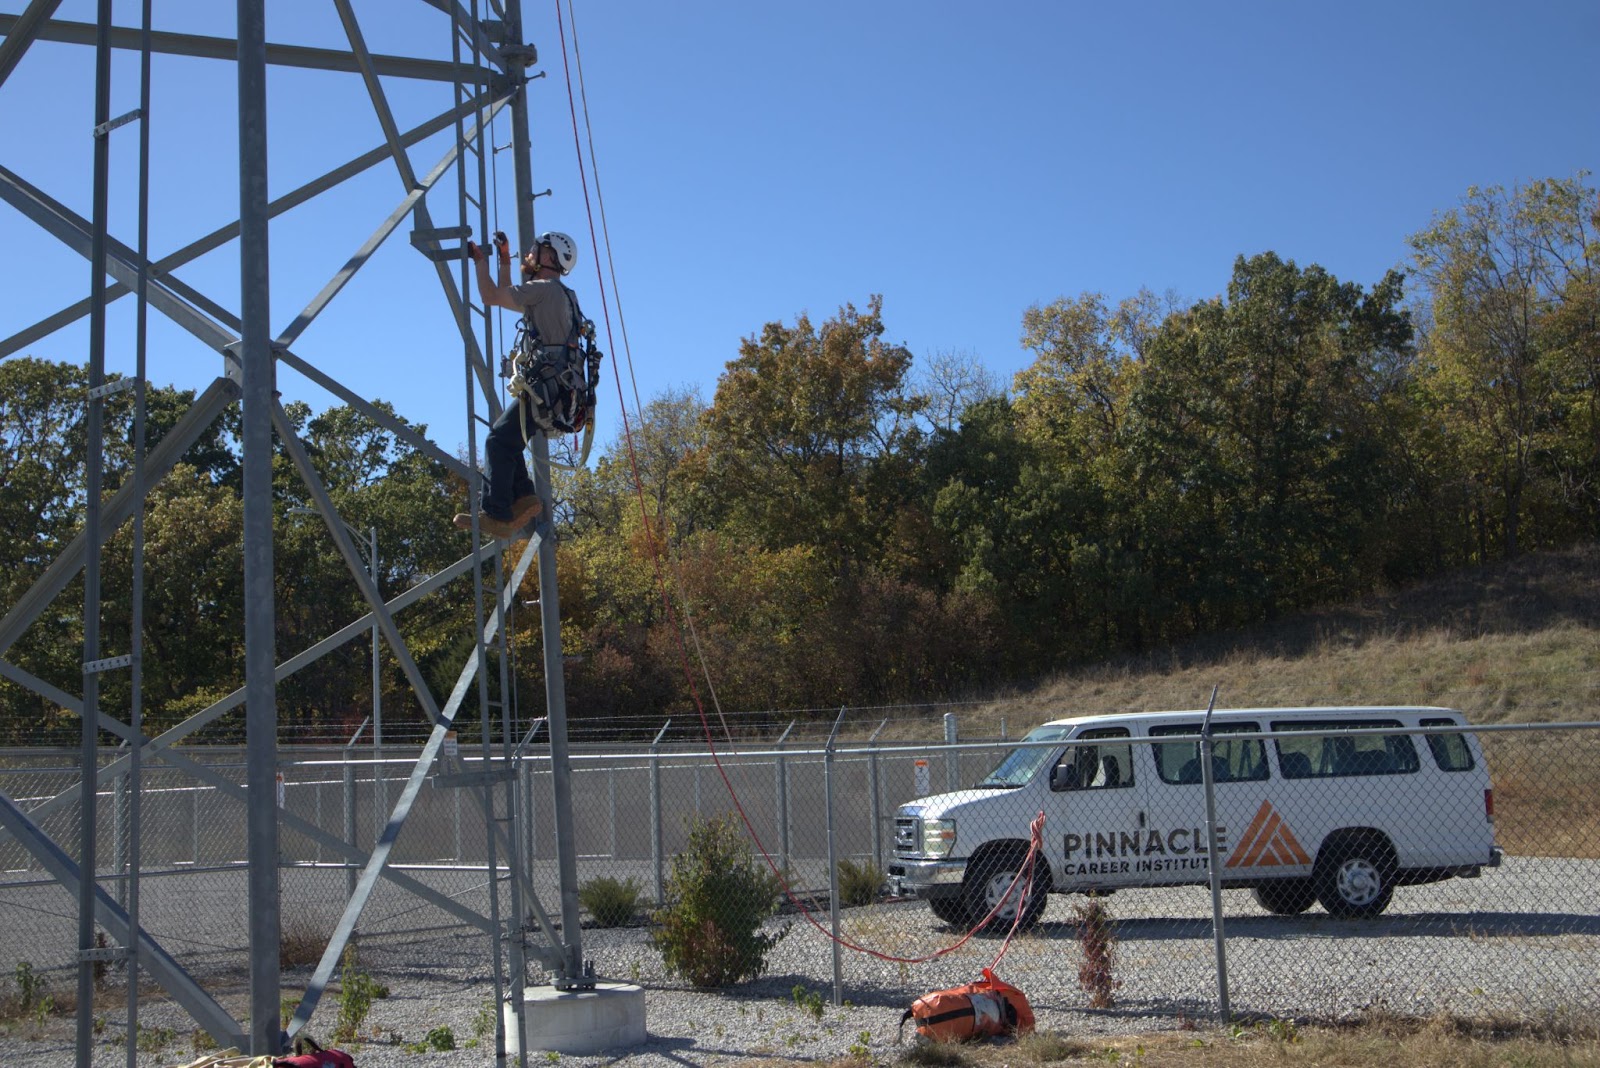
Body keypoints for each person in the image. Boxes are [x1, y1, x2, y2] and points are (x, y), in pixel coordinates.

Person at [453, 229, 583, 539]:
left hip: (546, 388)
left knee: (497, 441)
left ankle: (497, 512)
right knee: (508, 442)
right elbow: (513, 295)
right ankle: (524, 496)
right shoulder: (559, 293)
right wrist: (502, 259)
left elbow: (490, 297)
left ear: (549, 257)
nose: (528, 253)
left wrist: (480, 262)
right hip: (558, 391)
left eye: (534, 249)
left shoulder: (542, 291)